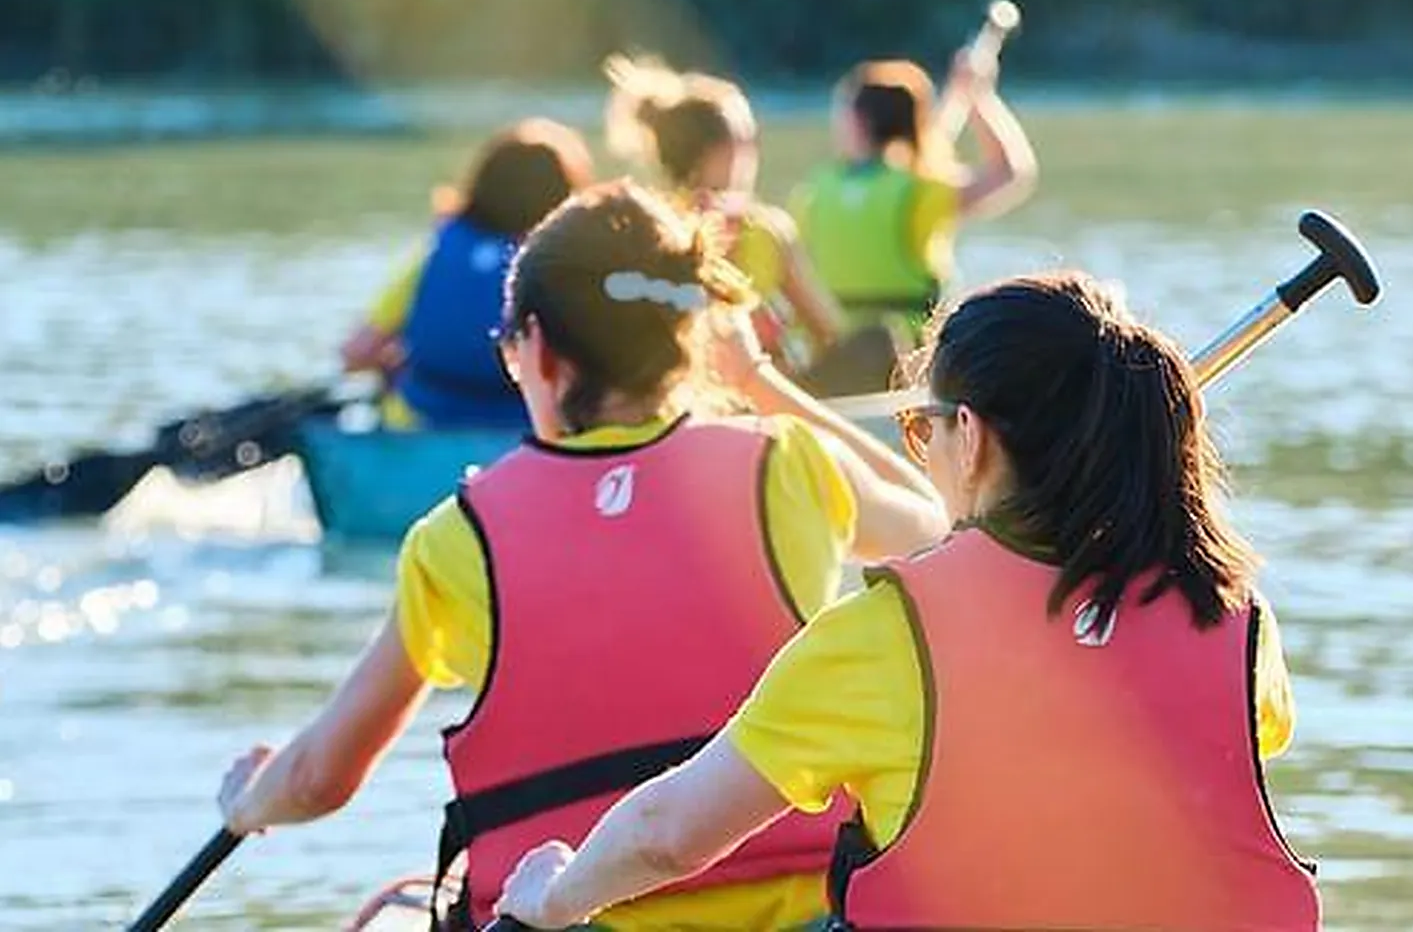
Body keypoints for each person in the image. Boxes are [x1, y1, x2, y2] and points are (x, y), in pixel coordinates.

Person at [217, 181, 949, 931]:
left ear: (535, 347)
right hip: (809, 913)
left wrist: (247, 801)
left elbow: (317, 779)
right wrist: (757, 381)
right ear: (690, 339)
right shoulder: (787, 461)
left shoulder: (456, 537)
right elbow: (932, 522)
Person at [494, 270, 1321, 931]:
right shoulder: (1235, 617)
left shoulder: (886, 636)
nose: (920, 452)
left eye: (922, 431)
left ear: (973, 435)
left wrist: (551, 899)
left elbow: (669, 837)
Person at [339, 118, 593, 429]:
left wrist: (395, 364)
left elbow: (355, 354)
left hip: (422, 420)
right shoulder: (569, 269)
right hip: (528, 429)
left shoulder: (436, 255)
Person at [604, 54, 846, 376]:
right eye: (746, 141)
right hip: (758, 392)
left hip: (671, 396)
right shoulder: (764, 228)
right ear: (718, 153)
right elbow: (827, 330)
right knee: (876, 344)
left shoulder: (637, 226)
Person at [790, 53, 1038, 339]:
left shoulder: (814, 192)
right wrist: (979, 97)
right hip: (909, 352)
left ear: (857, 121)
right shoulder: (921, 190)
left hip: (834, 353)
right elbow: (1009, 172)